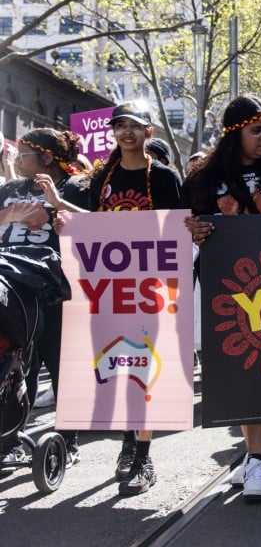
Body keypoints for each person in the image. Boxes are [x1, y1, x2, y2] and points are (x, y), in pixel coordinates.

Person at [184, 95, 261, 501]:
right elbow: (183, 226)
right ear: (235, 134)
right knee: (245, 373)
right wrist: (192, 230)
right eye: (256, 130)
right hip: (227, 293)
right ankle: (256, 458)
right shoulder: (202, 179)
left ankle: (254, 458)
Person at [84, 100, 184, 495]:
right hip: (110, 291)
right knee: (117, 365)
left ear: (149, 133)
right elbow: (91, 230)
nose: (127, 132)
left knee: (145, 368)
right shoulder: (100, 179)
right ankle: (128, 442)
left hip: (151, 290)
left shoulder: (164, 178)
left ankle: (143, 456)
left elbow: (177, 232)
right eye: (120, 125)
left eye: (135, 126)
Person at [0, 129, 90, 465]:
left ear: (47, 157)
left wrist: (55, 211)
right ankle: (10, 439)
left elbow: (103, 229)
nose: (18, 159)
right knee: (15, 366)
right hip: (11, 290)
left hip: (56, 291)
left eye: (24, 154)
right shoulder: (8, 190)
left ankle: (69, 439)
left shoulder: (77, 188)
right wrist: (10, 215)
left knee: (60, 364)